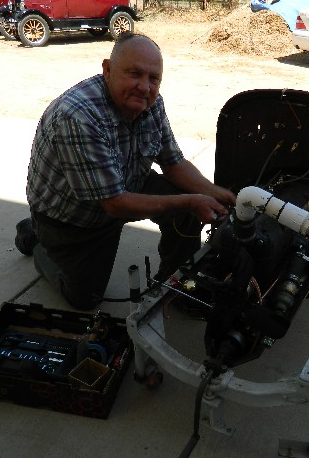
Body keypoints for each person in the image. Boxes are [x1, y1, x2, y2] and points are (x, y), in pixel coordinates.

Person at [15, 32, 236, 311]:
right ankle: (35, 238)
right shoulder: (79, 116)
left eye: (153, 78)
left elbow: (173, 162)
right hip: (72, 219)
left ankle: (172, 285)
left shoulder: (151, 103)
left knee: (188, 209)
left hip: (125, 187)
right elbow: (115, 204)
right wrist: (192, 200)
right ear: (107, 70)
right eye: (134, 74)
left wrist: (216, 193)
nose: (144, 87)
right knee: (84, 299)